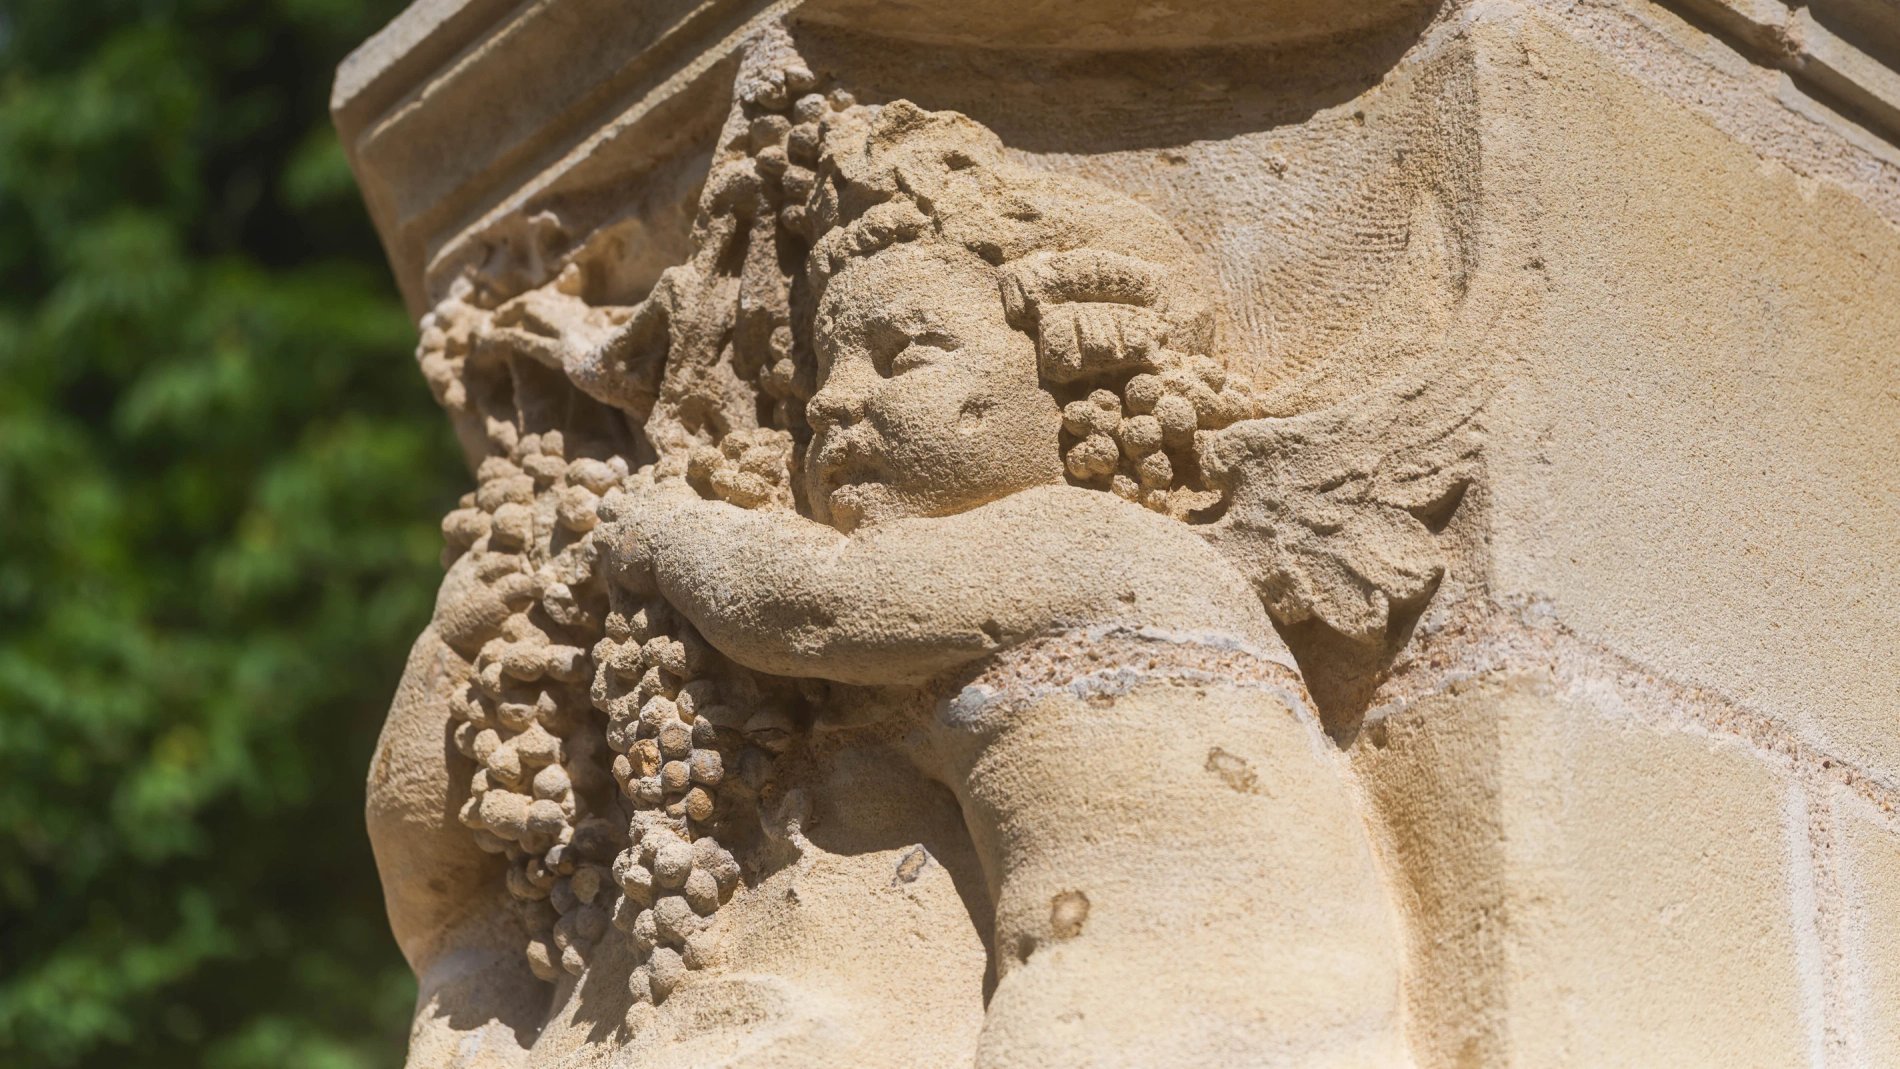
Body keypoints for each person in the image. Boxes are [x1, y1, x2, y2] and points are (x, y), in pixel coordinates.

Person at [602, 102, 1414, 1068]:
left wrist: (670, 531)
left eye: (903, 354)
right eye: (827, 365)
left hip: (1161, 1000)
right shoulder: (981, 645)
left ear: (1067, 367)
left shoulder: (1080, 543)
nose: (831, 399)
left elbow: (814, 605)